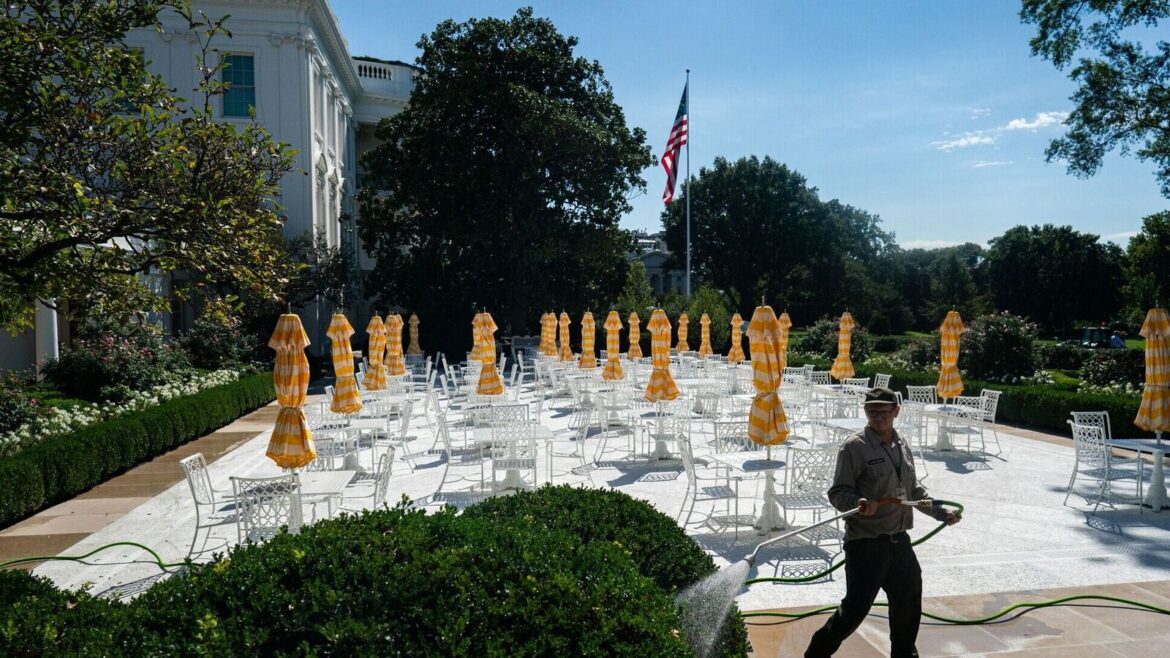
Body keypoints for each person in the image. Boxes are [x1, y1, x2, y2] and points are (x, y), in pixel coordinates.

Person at [805, 387, 961, 658]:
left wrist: (941, 512)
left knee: (908, 604)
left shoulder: (901, 445)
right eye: (871, 411)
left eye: (884, 412)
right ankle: (816, 654)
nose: (878, 417)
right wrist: (858, 503)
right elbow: (838, 492)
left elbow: (912, 492)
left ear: (896, 412)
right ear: (865, 412)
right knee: (854, 611)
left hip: (899, 542)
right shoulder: (855, 447)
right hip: (866, 544)